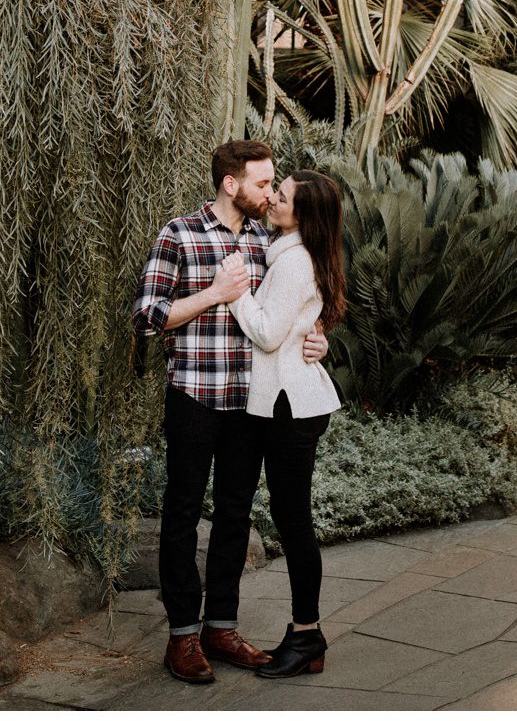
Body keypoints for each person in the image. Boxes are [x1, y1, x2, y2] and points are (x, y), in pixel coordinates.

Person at [131, 140, 329, 685]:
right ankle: (182, 638)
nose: (270, 193)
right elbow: (147, 317)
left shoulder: (274, 240)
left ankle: (221, 627)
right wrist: (215, 293)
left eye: (273, 186)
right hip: (194, 395)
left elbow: (297, 306)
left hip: (251, 403)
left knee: (235, 516)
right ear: (230, 184)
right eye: (263, 184)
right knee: (182, 514)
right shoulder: (180, 234)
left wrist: (318, 340)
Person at [211, 168, 345, 679]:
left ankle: (308, 635)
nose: (271, 200)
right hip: (280, 404)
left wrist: (234, 290)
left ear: (302, 214)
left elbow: (267, 335)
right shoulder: (282, 250)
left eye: (282, 197)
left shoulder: (294, 264)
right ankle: (305, 636)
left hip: (291, 409)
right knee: (290, 520)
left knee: (294, 523)